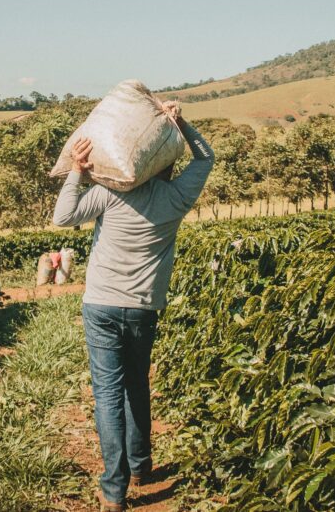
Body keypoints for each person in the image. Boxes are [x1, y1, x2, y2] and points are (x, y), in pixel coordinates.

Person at [52, 101, 214, 512]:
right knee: (137, 383)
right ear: (164, 162)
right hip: (144, 308)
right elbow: (207, 156)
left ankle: (114, 489)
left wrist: (77, 169)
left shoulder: (109, 193)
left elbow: (63, 216)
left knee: (108, 393)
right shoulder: (177, 197)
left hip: (101, 306)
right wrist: (180, 123)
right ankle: (141, 466)